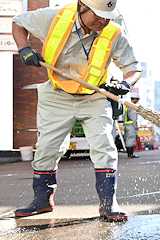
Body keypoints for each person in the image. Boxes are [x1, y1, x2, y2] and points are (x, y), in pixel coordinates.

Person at [12, 0, 142, 221]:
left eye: (108, 16)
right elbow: (18, 22)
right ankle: (42, 200)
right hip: (56, 94)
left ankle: (109, 204)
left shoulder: (114, 33)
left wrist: (125, 84)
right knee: (46, 148)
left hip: (95, 97)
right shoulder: (54, 18)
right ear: (82, 6)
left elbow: (133, 68)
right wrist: (24, 48)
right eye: (99, 15)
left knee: (104, 146)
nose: (103, 21)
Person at [124, 92, 140, 158]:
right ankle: (130, 154)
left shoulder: (127, 106)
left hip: (127, 124)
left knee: (128, 139)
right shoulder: (132, 106)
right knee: (131, 139)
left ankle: (129, 154)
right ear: (135, 99)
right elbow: (133, 117)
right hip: (131, 125)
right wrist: (135, 126)